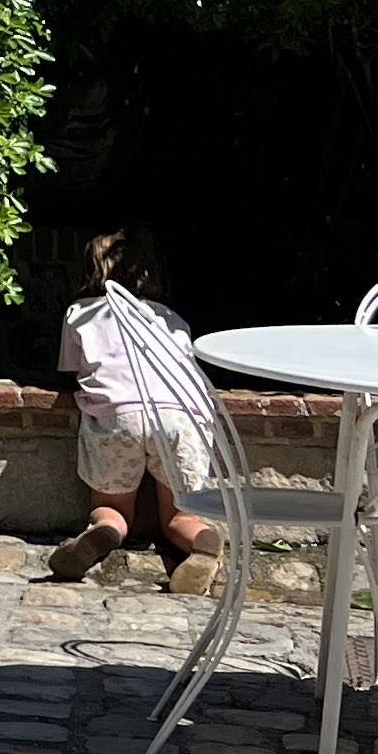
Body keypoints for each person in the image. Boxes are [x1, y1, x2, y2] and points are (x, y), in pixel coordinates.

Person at [51, 231, 222, 590]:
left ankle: (104, 531)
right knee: (179, 515)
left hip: (119, 416)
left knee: (112, 507)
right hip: (182, 415)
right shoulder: (172, 318)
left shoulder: (80, 314)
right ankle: (201, 542)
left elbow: (71, 370)